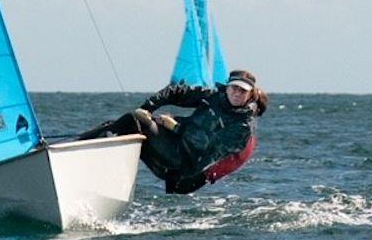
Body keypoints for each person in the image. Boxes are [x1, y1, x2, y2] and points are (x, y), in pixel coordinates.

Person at [78, 70, 268, 194]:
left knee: (135, 121)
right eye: (234, 88)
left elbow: (207, 147)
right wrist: (149, 107)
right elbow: (177, 92)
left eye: (242, 91)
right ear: (227, 87)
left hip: (183, 165)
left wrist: (175, 126)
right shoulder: (213, 97)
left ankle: (85, 160)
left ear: (250, 95)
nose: (237, 93)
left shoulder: (243, 126)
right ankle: (78, 148)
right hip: (174, 145)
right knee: (127, 122)